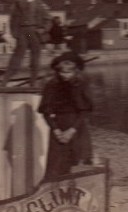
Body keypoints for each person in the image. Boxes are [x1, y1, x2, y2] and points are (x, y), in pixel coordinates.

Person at [37, 52, 95, 181]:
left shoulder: (81, 84)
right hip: (58, 127)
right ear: (58, 71)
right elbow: (46, 110)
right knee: (56, 164)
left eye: (69, 72)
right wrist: (56, 130)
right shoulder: (51, 85)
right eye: (62, 72)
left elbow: (84, 111)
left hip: (77, 127)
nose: (65, 75)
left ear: (75, 71)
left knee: (78, 160)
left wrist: (72, 130)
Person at [0, 0, 51, 87]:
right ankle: (4, 82)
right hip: (23, 32)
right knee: (17, 57)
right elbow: (13, 18)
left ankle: (32, 83)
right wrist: (14, 33)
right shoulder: (19, 3)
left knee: (35, 58)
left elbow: (48, 20)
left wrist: (43, 29)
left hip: (34, 32)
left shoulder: (41, 4)